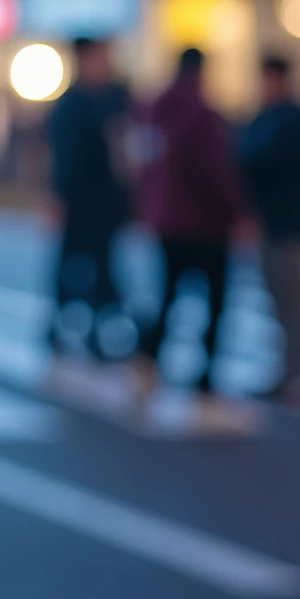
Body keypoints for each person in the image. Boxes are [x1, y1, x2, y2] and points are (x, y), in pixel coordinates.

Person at [134, 45, 247, 396]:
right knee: (214, 300)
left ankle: (149, 359)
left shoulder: (154, 110)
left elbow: (143, 162)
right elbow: (215, 172)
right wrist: (238, 212)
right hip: (205, 224)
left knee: (168, 294)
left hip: (167, 219)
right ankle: (206, 370)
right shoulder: (202, 113)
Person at [240, 57, 300, 408]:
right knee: (279, 301)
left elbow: (255, 156)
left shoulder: (293, 118)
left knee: (294, 300)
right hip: (271, 222)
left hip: (289, 222)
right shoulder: (267, 116)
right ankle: (290, 370)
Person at [45, 37, 132, 356]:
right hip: (80, 203)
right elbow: (64, 159)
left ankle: (92, 330)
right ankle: (58, 327)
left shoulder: (114, 99)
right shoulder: (72, 104)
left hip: (106, 204)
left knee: (101, 266)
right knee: (73, 266)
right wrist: (58, 199)